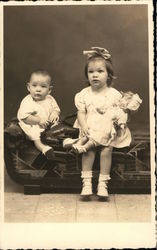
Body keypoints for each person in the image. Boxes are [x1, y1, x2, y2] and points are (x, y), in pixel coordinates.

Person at [64, 47, 142, 199]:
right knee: (89, 151)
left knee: (107, 150)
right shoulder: (84, 94)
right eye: (91, 72)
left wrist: (126, 114)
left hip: (108, 131)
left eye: (100, 71)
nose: (95, 75)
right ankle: (86, 183)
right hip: (89, 128)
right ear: (87, 75)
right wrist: (84, 125)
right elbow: (81, 112)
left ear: (108, 75)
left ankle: (102, 183)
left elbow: (122, 112)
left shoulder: (114, 94)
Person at [69, 90, 142, 153]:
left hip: (107, 129)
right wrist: (99, 110)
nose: (119, 100)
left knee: (96, 138)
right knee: (88, 135)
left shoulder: (123, 113)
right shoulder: (114, 107)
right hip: (99, 125)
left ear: (126, 105)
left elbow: (122, 121)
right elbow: (104, 111)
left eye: (122, 100)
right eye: (121, 99)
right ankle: (77, 145)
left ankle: (85, 148)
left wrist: (121, 125)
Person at [17, 69, 60, 160]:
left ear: (49, 90)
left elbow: (56, 109)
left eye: (43, 86)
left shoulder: (50, 99)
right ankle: (43, 148)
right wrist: (39, 120)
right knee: (35, 133)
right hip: (32, 124)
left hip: (46, 124)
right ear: (29, 87)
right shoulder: (28, 101)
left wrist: (54, 114)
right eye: (34, 85)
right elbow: (25, 117)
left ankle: (63, 143)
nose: (38, 89)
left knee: (58, 128)